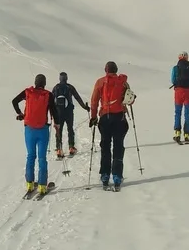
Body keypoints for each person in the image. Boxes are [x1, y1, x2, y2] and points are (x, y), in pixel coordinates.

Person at [12, 73, 60, 196]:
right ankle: (43, 186)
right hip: (42, 130)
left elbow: (14, 101)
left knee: (30, 156)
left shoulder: (28, 92)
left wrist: (20, 114)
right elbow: (54, 111)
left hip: (29, 129)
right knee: (42, 157)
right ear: (44, 84)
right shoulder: (48, 95)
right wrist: (57, 124)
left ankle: (29, 183)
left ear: (35, 82)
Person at [89, 61, 134, 189]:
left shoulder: (100, 82)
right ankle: (117, 176)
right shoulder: (123, 82)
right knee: (118, 146)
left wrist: (93, 117)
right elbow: (130, 100)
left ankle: (104, 175)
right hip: (119, 118)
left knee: (105, 146)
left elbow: (94, 101)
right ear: (116, 70)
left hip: (105, 118)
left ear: (106, 70)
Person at [51, 72, 89, 158]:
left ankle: (59, 149)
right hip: (69, 111)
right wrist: (85, 107)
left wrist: (51, 112)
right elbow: (77, 97)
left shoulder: (56, 87)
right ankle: (71, 147)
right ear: (66, 78)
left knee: (58, 130)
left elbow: (51, 100)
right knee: (70, 129)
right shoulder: (70, 87)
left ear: (59, 78)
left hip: (58, 112)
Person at [171, 51, 189, 143]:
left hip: (178, 92)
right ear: (187, 58)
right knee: (187, 113)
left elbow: (172, 80)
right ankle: (187, 134)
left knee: (177, 112)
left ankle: (177, 133)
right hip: (188, 92)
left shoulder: (175, 68)